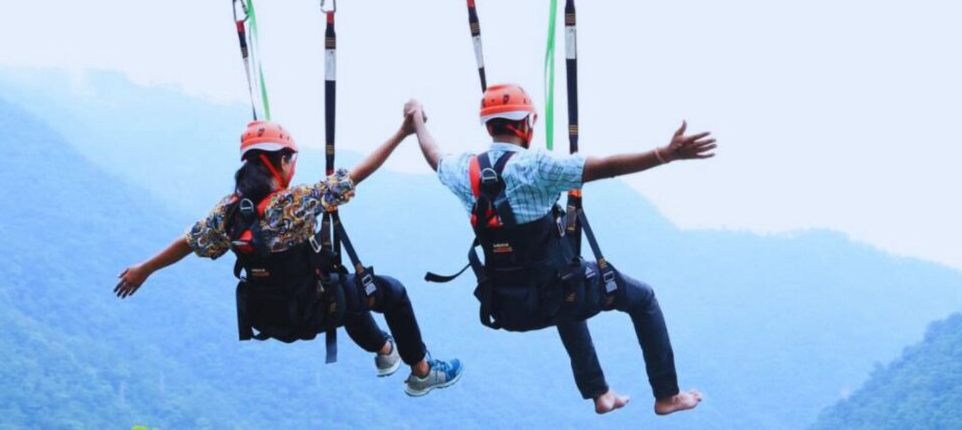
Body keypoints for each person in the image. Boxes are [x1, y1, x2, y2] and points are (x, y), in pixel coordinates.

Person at [405, 84, 715, 415]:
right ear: (527, 124)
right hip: (554, 296)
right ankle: (667, 395)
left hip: (508, 307)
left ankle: (600, 393)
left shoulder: (465, 171)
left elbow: (434, 155)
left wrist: (418, 120)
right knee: (640, 297)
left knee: (565, 279)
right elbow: (607, 166)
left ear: (488, 126)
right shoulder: (539, 166)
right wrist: (663, 154)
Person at [114, 117, 463, 397]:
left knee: (349, 291)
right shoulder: (292, 205)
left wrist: (145, 269)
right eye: (290, 159)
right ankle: (421, 372)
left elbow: (188, 242)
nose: (293, 167)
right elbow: (356, 175)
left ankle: (386, 350)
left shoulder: (229, 212)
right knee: (390, 292)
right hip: (312, 310)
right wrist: (403, 132)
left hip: (269, 317)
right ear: (279, 161)